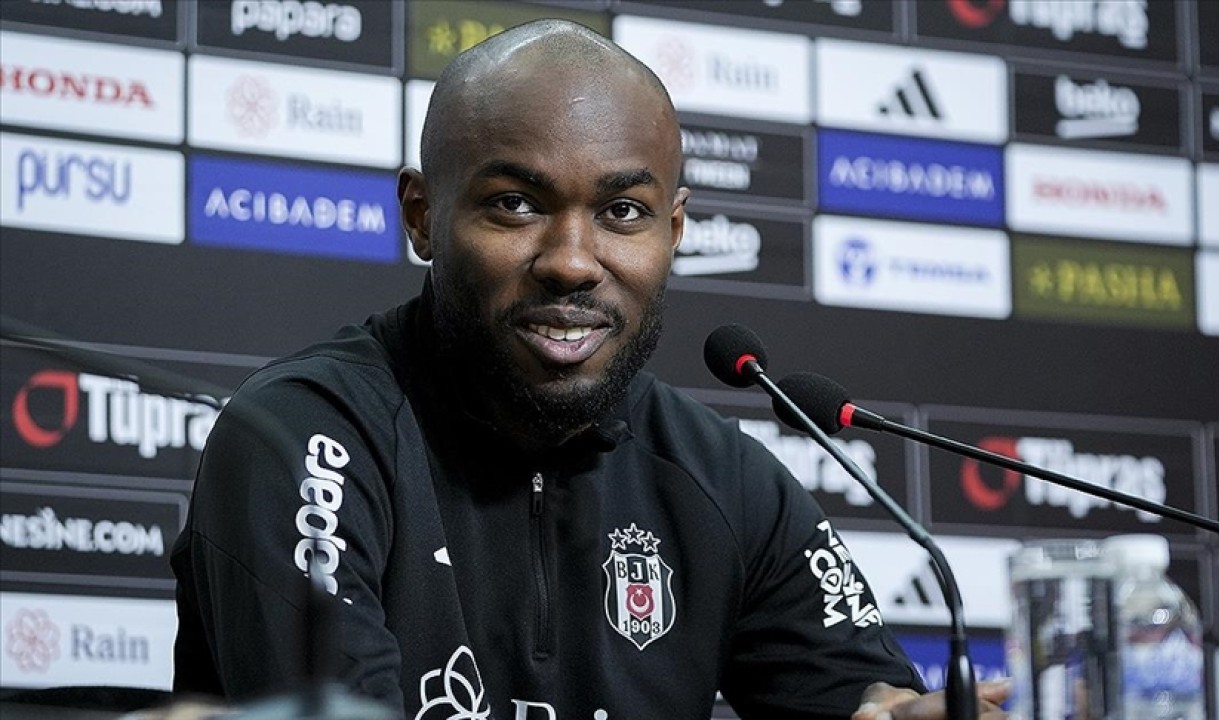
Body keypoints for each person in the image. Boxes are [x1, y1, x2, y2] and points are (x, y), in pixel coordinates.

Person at [170, 19, 1009, 720]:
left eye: (623, 211)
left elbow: (864, 699)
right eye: (515, 204)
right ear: (423, 217)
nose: (572, 262)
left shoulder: (725, 481)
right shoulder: (301, 436)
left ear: (673, 232)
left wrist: (892, 711)